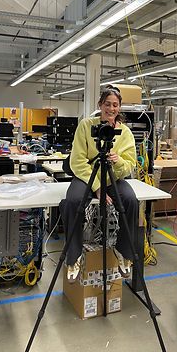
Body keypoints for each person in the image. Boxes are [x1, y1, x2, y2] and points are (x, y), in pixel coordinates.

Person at [59, 85, 138, 282]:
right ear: (100, 105)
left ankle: (123, 251)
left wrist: (118, 160)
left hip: (113, 177)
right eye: (107, 104)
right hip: (87, 176)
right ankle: (73, 256)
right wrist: (97, 188)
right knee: (72, 201)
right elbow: (77, 161)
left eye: (115, 105)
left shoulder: (125, 133)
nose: (111, 109)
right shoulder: (86, 126)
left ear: (119, 108)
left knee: (130, 200)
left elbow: (130, 164)